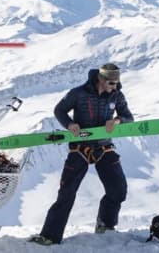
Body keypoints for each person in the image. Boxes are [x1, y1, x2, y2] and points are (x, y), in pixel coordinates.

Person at [30, 63, 134, 246]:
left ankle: (105, 225)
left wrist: (117, 120)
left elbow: (128, 116)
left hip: (104, 147)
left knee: (118, 190)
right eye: (111, 83)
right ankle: (49, 236)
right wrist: (70, 124)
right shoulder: (78, 93)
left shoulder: (117, 95)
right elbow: (59, 110)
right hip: (80, 148)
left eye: (117, 83)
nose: (114, 86)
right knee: (67, 194)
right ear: (100, 79)